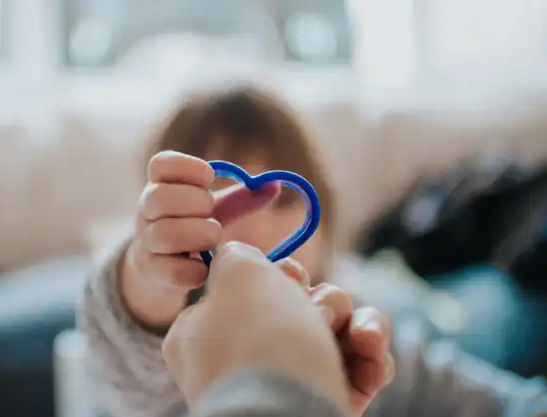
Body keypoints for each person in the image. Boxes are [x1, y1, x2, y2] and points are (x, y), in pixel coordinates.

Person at [80, 86, 547, 417]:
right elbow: (123, 349)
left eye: (283, 199)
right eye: (218, 197)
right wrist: (145, 274)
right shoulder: (164, 353)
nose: (253, 229)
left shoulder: (365, 339)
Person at [163, 241, 384, 417]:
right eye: (222, 211)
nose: (255, 233)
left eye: (283, 200)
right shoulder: (171, 377)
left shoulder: (365, 327)